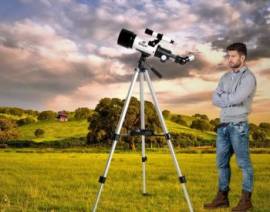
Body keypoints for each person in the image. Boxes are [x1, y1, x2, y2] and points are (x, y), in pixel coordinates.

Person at [204, 42, 256, 211]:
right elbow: (214, 99)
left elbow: (236, 99)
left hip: (239, 125)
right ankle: (222, 198)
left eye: (233, 56)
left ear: (242, 57)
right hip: (223, 125)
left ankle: (246, 200)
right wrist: (228, 97)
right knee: (221, 163)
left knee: (243, 164)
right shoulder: (225, 77)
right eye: (228, 56)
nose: (230, 59)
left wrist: (225, 98)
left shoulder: (248, 78)